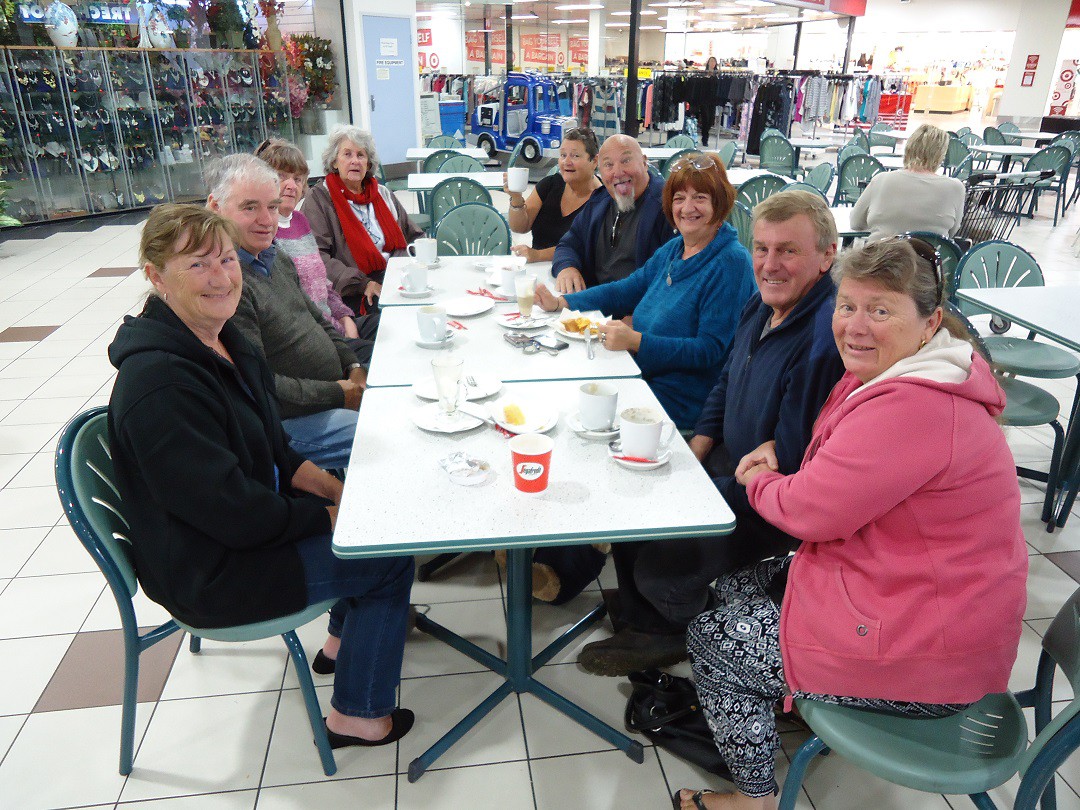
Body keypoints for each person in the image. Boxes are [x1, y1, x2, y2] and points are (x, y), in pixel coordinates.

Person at [676, 238, 1027, 810]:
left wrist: (759, 479)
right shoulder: (906, 372)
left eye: (880, 310)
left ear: (930, 321)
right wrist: (787, 463)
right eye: (847, 306)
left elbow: (809, 513)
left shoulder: (916, 406)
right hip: (910, 591)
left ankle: (752, 799)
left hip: (932, 651)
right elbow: (844, 471)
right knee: (735, 583)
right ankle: (787, 704)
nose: (855, 326)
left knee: (712, 640)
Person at [107, 204, 415, 750]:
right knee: (386, 557)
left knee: (365, 524)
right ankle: (359, 716)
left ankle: (340, 644)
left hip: (237, 530)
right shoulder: (161, 384)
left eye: (227, 259)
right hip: (212, 570)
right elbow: (234, 513)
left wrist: (336, 492)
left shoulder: (225, 342)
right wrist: (328, 518)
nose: (221, 277)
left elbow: (276, 448)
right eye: (198, 264)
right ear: (156, 276)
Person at [584, 190, 846, 676]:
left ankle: (681, 627)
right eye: (762, 248)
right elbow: (726, 379)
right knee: (633, 503)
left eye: (788, 250)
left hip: (767, 504)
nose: (770, 264)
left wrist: (702, 491)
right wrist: (697, 448)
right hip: (731, 461)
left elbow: (789, 468)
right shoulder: (762, 304)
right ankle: (644, 613)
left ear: (827, 255)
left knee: (659, 568)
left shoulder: (821, 343)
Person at [536, 152, 755, 432]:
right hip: (639, 376)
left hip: (676, 402)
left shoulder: (730, 262)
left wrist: (637, 341)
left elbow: (708, 351)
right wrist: (561, 303)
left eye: (700, 197)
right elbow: (625, 291)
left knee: (572, 415)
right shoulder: (675, 249)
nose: (687, 208)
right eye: (679, 198)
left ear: (719, 202)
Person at [206, 154, 363, 470]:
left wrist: (353, 364)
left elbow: (317, 319)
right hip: (286, 425)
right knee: (382, 430)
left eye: (273, 207)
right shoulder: (226, 286)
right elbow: (260, 387)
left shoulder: (274, 257)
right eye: (250, 208)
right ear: (215, 207)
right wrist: (339, 394)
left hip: (329, 395)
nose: (267, 220)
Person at [254, 137, 377, 359]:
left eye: (297, 179)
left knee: (394, 326)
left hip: (334, 322)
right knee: (382, 356)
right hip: (314, 340)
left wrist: (345, 318)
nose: (291, 185)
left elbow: (323, 283)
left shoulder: (300, 221)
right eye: (281, 176)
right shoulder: (263, 235)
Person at [304, 125, 424, 314]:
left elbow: (415, 237)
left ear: (368, 164)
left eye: (361, 155)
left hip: (397, 277)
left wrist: (415, 264)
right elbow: (317, 257)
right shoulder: (320, 198)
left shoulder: (382, 193)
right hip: (353, 290)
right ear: (334, 162)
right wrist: (364, 284)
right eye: (347, 154)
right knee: (399, 314)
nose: (355, 161)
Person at [549, 134, 675, 293]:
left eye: (626, 160)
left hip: (639, 304)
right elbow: (569, 244)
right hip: (593, 301)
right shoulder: (599, 202)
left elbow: (673, 277)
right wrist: (567, 267)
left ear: (644, 162)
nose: (618, 172)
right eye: (608, 165)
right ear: (600, 172)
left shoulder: (669, 207)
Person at [850, 124, 966, 242]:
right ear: (941, 155)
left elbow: (855, 223)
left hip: (881, 252)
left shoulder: (881, 180)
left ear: (908, 149)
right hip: (930, 253)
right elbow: (952, 232)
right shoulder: (955, 188)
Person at [504, 127, 603, 263]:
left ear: (594, 161)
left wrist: (538, 255)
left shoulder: (603, 199)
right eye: (563, 155)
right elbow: (520, 227)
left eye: (575, 156)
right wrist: (516, 198)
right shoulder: (550, 185)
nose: (566, 162)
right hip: (539, 270)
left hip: (577, 271)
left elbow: (584, 247)